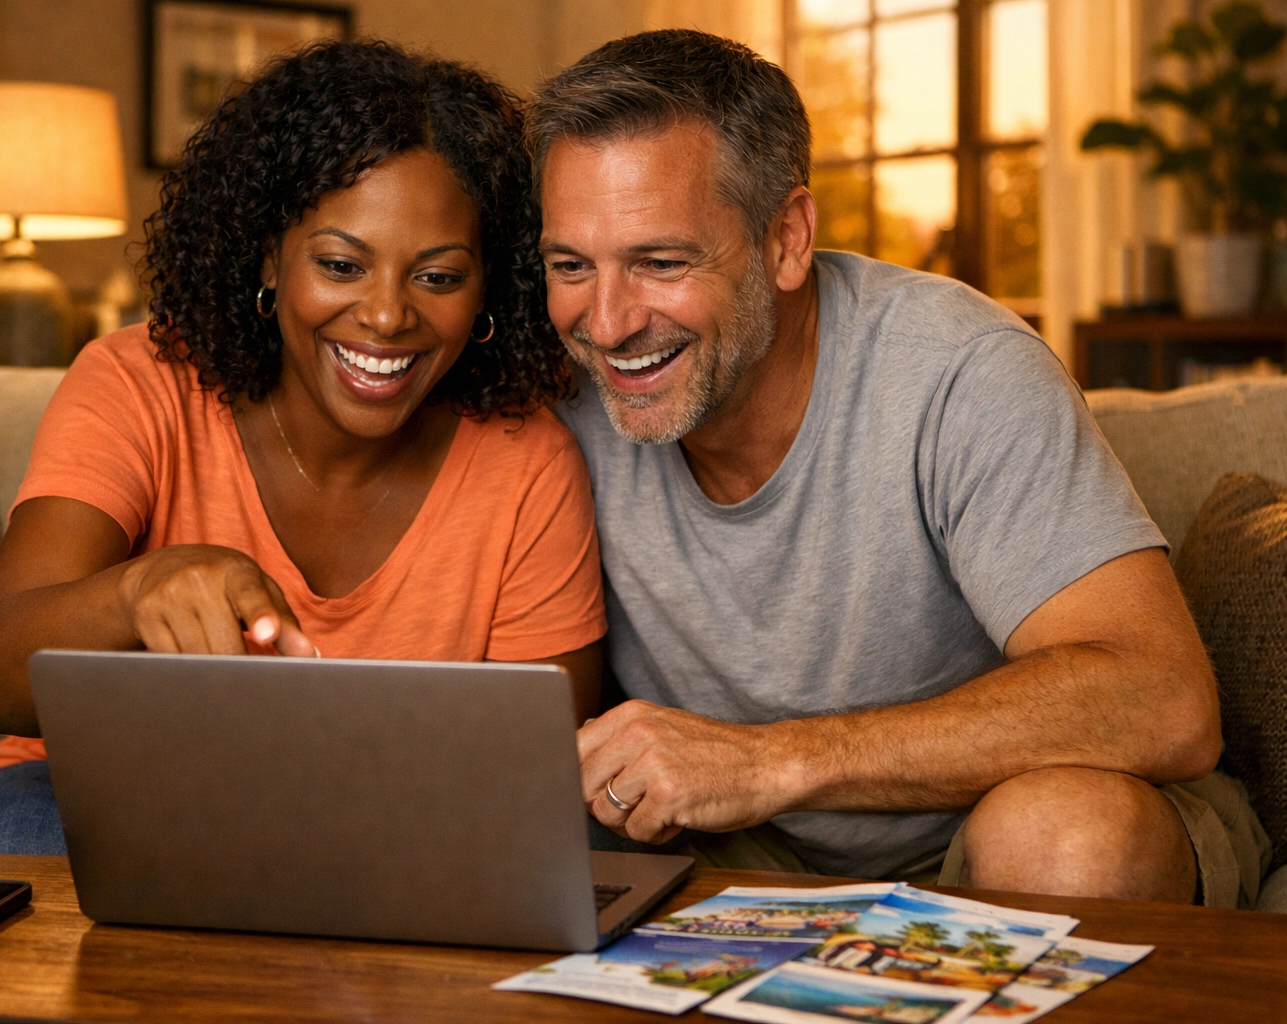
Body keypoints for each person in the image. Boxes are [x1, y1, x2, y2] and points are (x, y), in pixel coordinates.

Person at [530, 30, 1270, 907]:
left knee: (1065, 840)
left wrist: (769, 762)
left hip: (980, 834)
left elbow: (1165, 699)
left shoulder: (960, 370)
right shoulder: (552, 402)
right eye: (570, 265)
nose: (607, 324)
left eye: (660, 262)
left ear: (786, 239)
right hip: (742, 848)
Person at [0, 40, 606, 855]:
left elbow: (529, 780)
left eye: (437, 277)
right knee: (13, 829)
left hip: (392, 826)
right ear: (267, 256)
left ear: (489, 289)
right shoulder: (140, 383)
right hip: (114, 795)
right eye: (340, 264)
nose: (387, 316)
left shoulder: (526, 464)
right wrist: (136, 591)